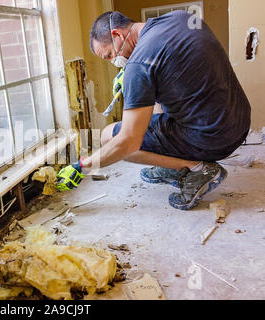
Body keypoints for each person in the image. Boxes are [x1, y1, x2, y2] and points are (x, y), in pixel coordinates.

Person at [56, 10, 251, 210]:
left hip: (214, 139)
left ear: (117, 35)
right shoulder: (182, 18)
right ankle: (174, 163)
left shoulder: (139, 64)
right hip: (239, 122)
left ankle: (198, 169)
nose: (114, 62)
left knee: (108, 136)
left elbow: (128, 142)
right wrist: (144, 87)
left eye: (109, 55)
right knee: (153, 113)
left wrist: (83, 165)